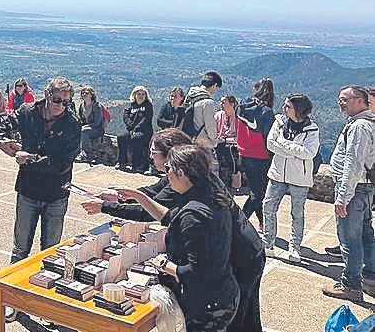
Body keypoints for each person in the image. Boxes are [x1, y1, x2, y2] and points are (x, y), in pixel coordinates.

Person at [82, 129, 265, 332]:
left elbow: (153, 213)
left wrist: (165, 264)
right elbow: (156, 198)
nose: (151, 158)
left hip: (241, 261)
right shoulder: (199, 182)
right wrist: (122, 195)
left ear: (177, 165)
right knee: (242, 317)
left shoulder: (194, 210)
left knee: (241, 322)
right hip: (229, 270)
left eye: (155, 153)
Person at [115, 145, 240, 332]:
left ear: (180, 173)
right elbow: (169, 217)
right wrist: (138, 196)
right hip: (223, 293)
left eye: (168, 169)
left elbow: (194, 271)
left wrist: (163, 264)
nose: (166, 175)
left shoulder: (194, 215)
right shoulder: (208, 194)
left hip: (207, 305)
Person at [0, 76, 81, 323]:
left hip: (55, 194)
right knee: (19, 250)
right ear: (46, 95)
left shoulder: (72, 123)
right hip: (29, 191)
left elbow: (63, 164)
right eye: (57, 100)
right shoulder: (28, 112)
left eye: (66, 101)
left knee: (51, 254)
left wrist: (29, 158)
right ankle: (12, 301)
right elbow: (3, 123)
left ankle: (46, 306)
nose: (61, 105)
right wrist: (2, 141)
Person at [322, 86, 375, 302]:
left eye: (345, 99)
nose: (340, 103)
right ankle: (370, 278)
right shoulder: (368, 123)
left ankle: (351, 284)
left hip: (355, 189)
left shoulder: (360, 127)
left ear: (360, 101)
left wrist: (342, 197)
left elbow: (353, 164)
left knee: (350, 238)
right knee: (365, 234)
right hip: (365, 187)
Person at [263, 93, 320, 261]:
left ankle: (294, 248)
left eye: (288, 106)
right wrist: (293, 151)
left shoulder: (312, 129)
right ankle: (268, 243)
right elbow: (270, 144)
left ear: (298, 110)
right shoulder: (279, 121)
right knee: (268, 208)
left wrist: (283, 143)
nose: (284, 108)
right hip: (277, 173)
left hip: (300, 178)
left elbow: (309, 153)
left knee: (297, 213)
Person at [236, 78, 276, 226]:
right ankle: (238, 224)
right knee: (257, 194)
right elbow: (269, 138)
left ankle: (262, 223)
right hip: (260, 158)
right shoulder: (266, 112)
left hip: (243, 154)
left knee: (256, 191)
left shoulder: (241, 106)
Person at [116, 86, 154, 173]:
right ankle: (122, 162)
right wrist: (131, 127)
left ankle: (136, 165)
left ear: (146, 96)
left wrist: (136, 128)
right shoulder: (130, 106)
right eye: (139, 94)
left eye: (143, 94)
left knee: (136, 139)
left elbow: (146, 119)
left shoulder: (148, 106)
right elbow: (125, 117)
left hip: (144, 131)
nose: (141, 96)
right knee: (121, 137)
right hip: (131, 130)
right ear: (134, 95)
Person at [184, 71, 223, 147]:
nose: (215, 91)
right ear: (214, 85)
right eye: (216, 88)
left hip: (189, 139)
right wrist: (216, 139)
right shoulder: (208, 103)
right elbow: (210, 126)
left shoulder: (190, 96)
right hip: (203, 143)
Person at [215, 95, 239, 188]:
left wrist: (225, 140)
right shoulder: (218, 115)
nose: (221, 104)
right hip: (219, 142)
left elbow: (239, 136)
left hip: (232, 144)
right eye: (220, 102)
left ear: (232, 104)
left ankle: (234, 175)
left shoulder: (238, 117)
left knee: (227, 149)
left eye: (224, 102)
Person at [78, 86, 106, 164]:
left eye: (86, 93)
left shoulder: (96, 106)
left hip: (97, 130)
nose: (84, 95)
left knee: (83, 131)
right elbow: (80, 119)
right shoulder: (81, 106)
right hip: (86, 129)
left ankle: (88, 154)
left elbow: (97, 123)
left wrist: (84, 127)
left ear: (91, 95)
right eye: (82, 93)